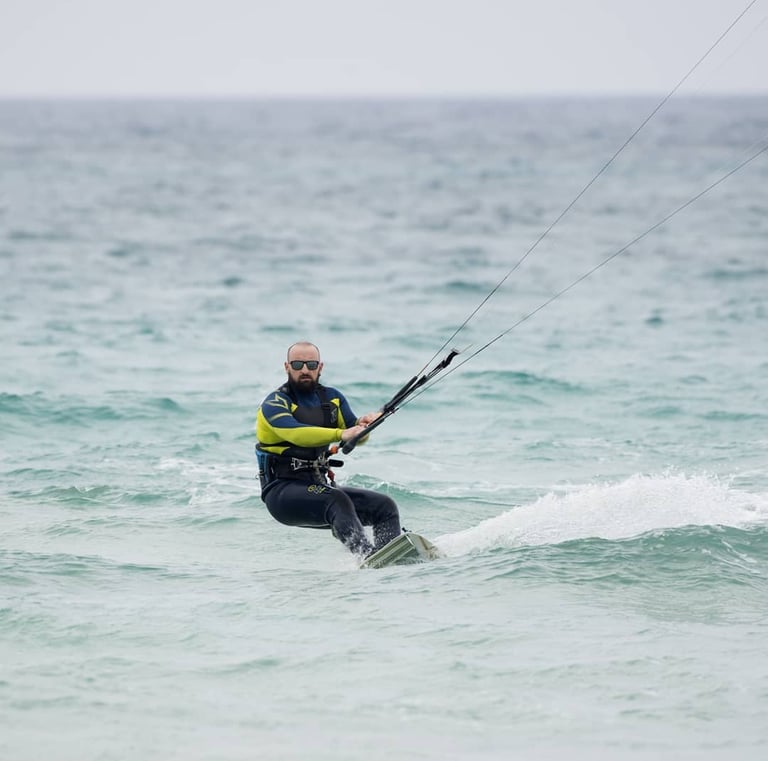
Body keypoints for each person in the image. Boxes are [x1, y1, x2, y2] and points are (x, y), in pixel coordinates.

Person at [255, 341, 401, 557]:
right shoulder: (274, 404)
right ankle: (366, 556)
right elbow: (296, 433)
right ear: (287, 367)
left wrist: (364, 425)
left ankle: (389, 557)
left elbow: (356, 436)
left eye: (311, 364)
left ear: (320, 367)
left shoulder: (332, 398)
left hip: (318, 486)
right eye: (297, 364)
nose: (305, 370)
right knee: (337, 500)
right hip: (282, 493)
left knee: (385, 507)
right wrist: (340, 433)